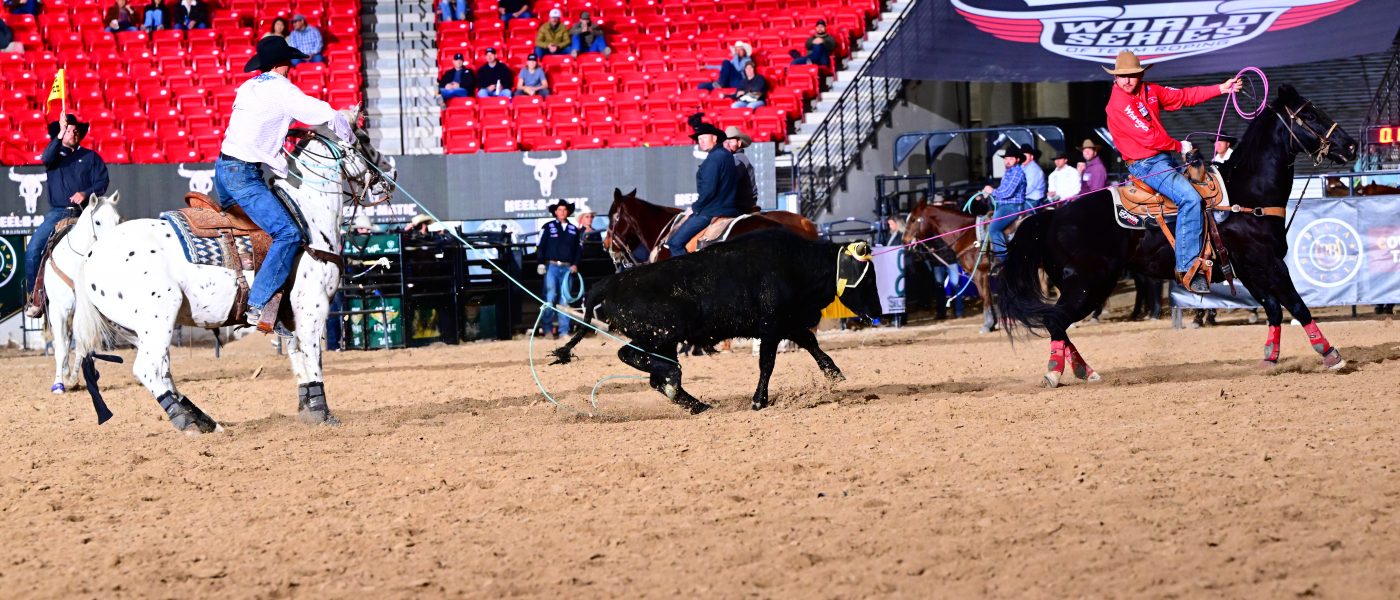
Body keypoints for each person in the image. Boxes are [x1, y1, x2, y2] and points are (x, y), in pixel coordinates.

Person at [217, 35, 354, 330]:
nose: (291, 67)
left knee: (263, 228)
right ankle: (256, 304)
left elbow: (259, 126)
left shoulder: (248, 87)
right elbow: (327, 114)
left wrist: (288, 134)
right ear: (282, 64)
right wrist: (349, 137)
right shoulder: (283, 90)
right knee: (289, 233)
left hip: (224, 172)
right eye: (289, 62)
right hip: (244, 176)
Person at [1102, 49, 1241, 293]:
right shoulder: (1118, 104)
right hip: (1146, 164)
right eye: (1122, 76)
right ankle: (1188, 269)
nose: (1127, 80)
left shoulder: (1150, 91)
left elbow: (1184, 96)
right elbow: (1148, 136)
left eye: (1132, 75)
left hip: (1161, 159)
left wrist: (1221, 88)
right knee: (1190, 198)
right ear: (1115, 78)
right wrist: (1180, 146)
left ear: (1140, 74)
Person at [25, 114, 110, 318]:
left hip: (85, 212)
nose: (74, 133)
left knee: (108, 248)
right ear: (62, 133)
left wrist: (86, 193)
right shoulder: (54, 156)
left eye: (76, 130)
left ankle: (109, 298)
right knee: (33, 250)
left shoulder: (91, 157)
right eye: (70, 130)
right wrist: (60, 134)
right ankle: (36, 297)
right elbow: (45, 158)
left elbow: (103, 182)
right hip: (58, 212)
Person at [668, 114, 737, 257]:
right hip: (730, 209)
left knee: (675, 243)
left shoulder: (713, 159)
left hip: (711, 211)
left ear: (714, 138)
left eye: (704, 138)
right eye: (699, 139)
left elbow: (709, 190)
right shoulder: (727, 155)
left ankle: (687, 277)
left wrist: (694, 208)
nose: (701, 142)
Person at [535, 199, 581, 339]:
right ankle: (547, 330)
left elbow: (578, 250)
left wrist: (575, 264)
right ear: (555, 211)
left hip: (567, 268)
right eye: (560, 209)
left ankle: (564, 331)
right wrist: (541, 263)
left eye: (565, 210)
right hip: (551, 266)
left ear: (568, 212)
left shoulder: (574, 229)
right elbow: (540, 246)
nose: (562, 212)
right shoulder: (548, 227)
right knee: (550, 297)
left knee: (565, 299)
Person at [981, 143, 1027, 262]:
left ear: (1017, 160)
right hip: (1005, 206)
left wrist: (992, 191)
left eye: (1011, 159)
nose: (1007, 161)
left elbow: (1007, 193)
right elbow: (1001, 190)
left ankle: (1004, 261)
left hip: (1012, 207)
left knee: (993, 229)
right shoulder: (1009, 172)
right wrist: (986, 193)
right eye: (1006, 158)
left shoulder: (1017, 172)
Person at [723, 125, 759, 213]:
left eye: (731, 140)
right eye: (726, 141)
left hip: (740, 205)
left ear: (739, 143)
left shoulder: (737, 159)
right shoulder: (739, 158)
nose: (728, 143)